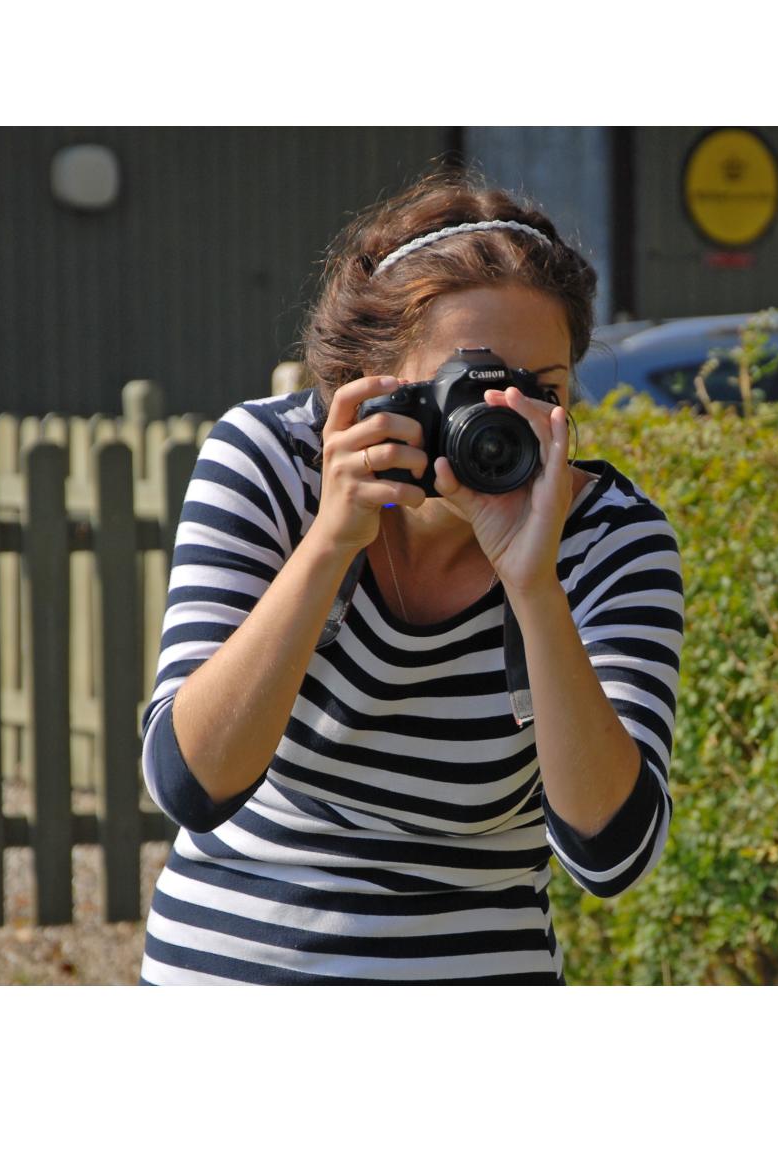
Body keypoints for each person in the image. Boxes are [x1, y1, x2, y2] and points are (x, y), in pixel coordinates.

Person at [138, 169, 685, 984]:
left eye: (542, 392)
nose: (502, 419)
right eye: (470, 385)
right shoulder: (272, 464)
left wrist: (533, 585)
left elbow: (612, 856)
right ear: (370, 382)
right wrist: (329, 544)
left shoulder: (609, 538)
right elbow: (190, 783)